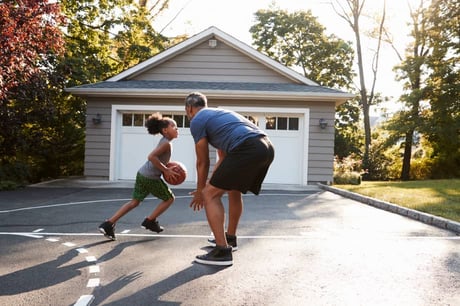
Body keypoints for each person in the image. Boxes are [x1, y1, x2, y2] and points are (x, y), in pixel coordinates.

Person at [185, 92, 275, 266]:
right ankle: (230, 238)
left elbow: (203, 161)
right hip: (266, 147)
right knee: (233, 189)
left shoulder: (197, 120)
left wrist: (201, 191)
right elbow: (223, 157)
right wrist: (212, 182)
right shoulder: (219, 115)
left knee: (210, 195)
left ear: (189, 109)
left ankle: (221, 251)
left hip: (247, 148)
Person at [98, 113, 179, 240]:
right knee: (169, 199)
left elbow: (158, 159)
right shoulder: (166, 143)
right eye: (174, 126)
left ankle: (108, 223)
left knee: (134, 202)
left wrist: (166, 167)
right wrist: (166, 170)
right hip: (150, 177)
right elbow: (151, 157)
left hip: (142, 174)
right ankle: (150, 221)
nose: (177, 129)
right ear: (165, 130)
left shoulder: (165, 142)